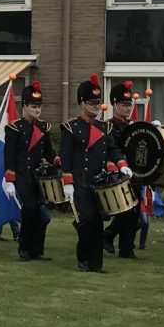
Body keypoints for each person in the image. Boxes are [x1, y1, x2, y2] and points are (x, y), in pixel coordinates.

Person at [60, 74, 131, 273]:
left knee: (97, 222)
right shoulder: (70, 128)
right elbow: (64, 156)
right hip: (80, 183)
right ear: (81, 103)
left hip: (99, 183)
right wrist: (67, 182)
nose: (95, 106)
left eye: (97, 102)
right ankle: (83, 257)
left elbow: (113, 149)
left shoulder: (105, 127)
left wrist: (122, 164)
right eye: (91, 102)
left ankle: (96, 264)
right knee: (88, 220)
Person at [2, 81, 60, 261]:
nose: (37, 110)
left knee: (41, 214)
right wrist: (10, 179)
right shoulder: (14, 128)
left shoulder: (43, 127)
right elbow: (9, 156)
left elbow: (49, 152)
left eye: (39, 106)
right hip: (22, 176)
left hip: (39, 177)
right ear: (25, 106)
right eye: (34, 106)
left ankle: (37, 250)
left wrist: (58, 160)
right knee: (30, 210)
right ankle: (24, 249)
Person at [103, 80, 140, 259]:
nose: (128, 108)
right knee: (127, 212)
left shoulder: (132, 126)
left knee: (133, 214)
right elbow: (111, 151)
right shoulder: (109, 126)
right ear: (115, 105)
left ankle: (120, 243)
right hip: (117, 174)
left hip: (134, 175)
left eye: (129, 104)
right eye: (124, 105)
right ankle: (124, 246)